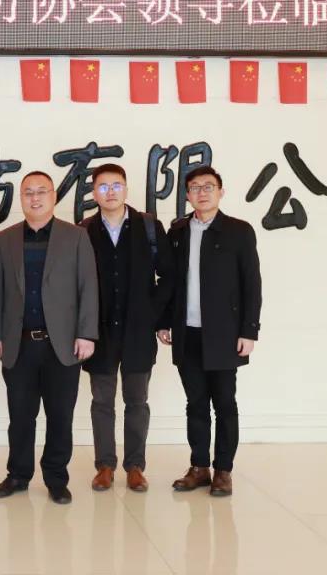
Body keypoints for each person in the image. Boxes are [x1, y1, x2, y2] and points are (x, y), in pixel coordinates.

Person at [0, 171, 99, 505]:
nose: (34, 198)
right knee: (21, 415)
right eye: (28, 192)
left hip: (62, 344)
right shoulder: (5, 239)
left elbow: (88, 288)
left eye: (41, 192)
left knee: (60, 415)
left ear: (53, 196)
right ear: (21, 198)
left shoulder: (76, 237)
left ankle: (56, 478)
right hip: (18, 343)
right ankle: (18, 475)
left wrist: (87, 334)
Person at [161, 166, 262, 497]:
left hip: (224, 334)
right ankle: (199, 467)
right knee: (195, 404)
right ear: (187, 195)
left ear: (221, 191)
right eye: (194, 187)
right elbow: (169, 282)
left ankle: (223, 470)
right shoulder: (177, 231)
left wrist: (249, 330)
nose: (201, 192)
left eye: (208, 186)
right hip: (187, 331)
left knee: (224, 404)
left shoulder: (238, 231)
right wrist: (163, 321)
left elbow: (252, 284)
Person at [81, 163, 174, 494]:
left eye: (116, 185)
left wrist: (156, 317)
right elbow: (76, 283)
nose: (110, 192)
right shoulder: (84, 230)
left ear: (126, 189)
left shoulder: (148, 227)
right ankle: (105, 466)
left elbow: (169, 275)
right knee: (102, 401)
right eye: (103, 186)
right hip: (100, 332)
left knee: (137, 401)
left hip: (138, 331)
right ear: (94, 193)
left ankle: (135, 467)